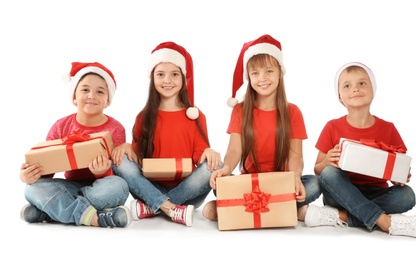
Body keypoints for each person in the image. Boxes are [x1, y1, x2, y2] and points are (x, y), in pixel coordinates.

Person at [202, 34, 322, 222]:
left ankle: (242, 208)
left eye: (268, 71)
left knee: (314, 183)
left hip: (281, 182)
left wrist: (296, 178)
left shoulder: (293, 111)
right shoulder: (240, 110)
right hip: (250, 183)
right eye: (255, 73)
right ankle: (285, 209)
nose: (262, 79)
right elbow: (234, 149)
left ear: (280, 72)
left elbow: (295, 156)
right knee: (219, 181)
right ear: (248, 77)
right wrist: (225, 169)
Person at [305, 62, 416, 239]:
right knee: (329, 174)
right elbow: (318, 171)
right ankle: (384, 221)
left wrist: (399, 177)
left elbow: (398, 168)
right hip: (341, 192)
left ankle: (342, 217)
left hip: (376, 192)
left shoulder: (388, 129)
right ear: (340, 97)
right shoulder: (332, 127)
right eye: (347, 86)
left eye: (362, 83)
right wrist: (326, 161)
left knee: (407, 195)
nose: (355, 89)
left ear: (373, 90)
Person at [111, 41, 222, 227]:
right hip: (148, 188)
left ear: (183, 78)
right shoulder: (143, 117)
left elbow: (202, 159)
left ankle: (156, 206)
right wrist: (126, 147)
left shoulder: (195, 116)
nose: (167, 80)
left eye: (174, 74)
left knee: (217, 164)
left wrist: (210, 152)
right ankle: (170, 208)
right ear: (152, 78)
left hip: (188, 194)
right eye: (160, 74)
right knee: (119, 159)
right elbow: (137, 160)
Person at [20, 62, 131, 228]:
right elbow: (48, 170)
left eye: (100, 91)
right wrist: (30, 175)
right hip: (70, 186)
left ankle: (51, 211)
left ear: (107, 100)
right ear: (74, 96)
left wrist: (101, 172)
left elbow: (117, 171)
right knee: (31, 189)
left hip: (100, 187)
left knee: (119, 186)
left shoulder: (115, 129)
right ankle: (96, 218)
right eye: (85, 90)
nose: (92, 96)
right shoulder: (61, 126)